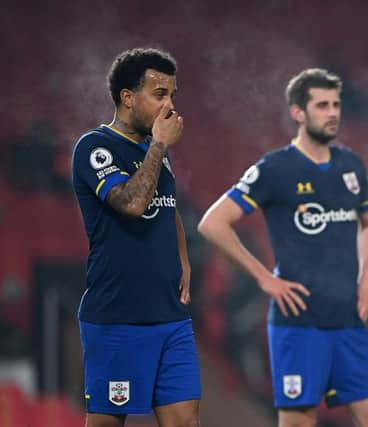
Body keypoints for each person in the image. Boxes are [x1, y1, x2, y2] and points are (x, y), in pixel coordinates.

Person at [198, 68, 368, 427]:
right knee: (298, 422)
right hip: (299, 322)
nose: (332, 112)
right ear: (298, 112)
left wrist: (367, 280)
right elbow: (212, 223)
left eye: (336, 104)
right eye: (322, 105)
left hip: (347, 320)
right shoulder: (275, 169)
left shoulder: (350, 165)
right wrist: (264, 278)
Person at [71, 48, 200, 427]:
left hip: (170, 317)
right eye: (160, 94)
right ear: (127, 97)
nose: (170, 105)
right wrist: (159, 145)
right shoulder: (95, 147)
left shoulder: (153, 152)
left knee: (186, 422)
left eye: (173, 95)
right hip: (117, 317)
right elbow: (131, 202)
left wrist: (184, 260)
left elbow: (167, 205)